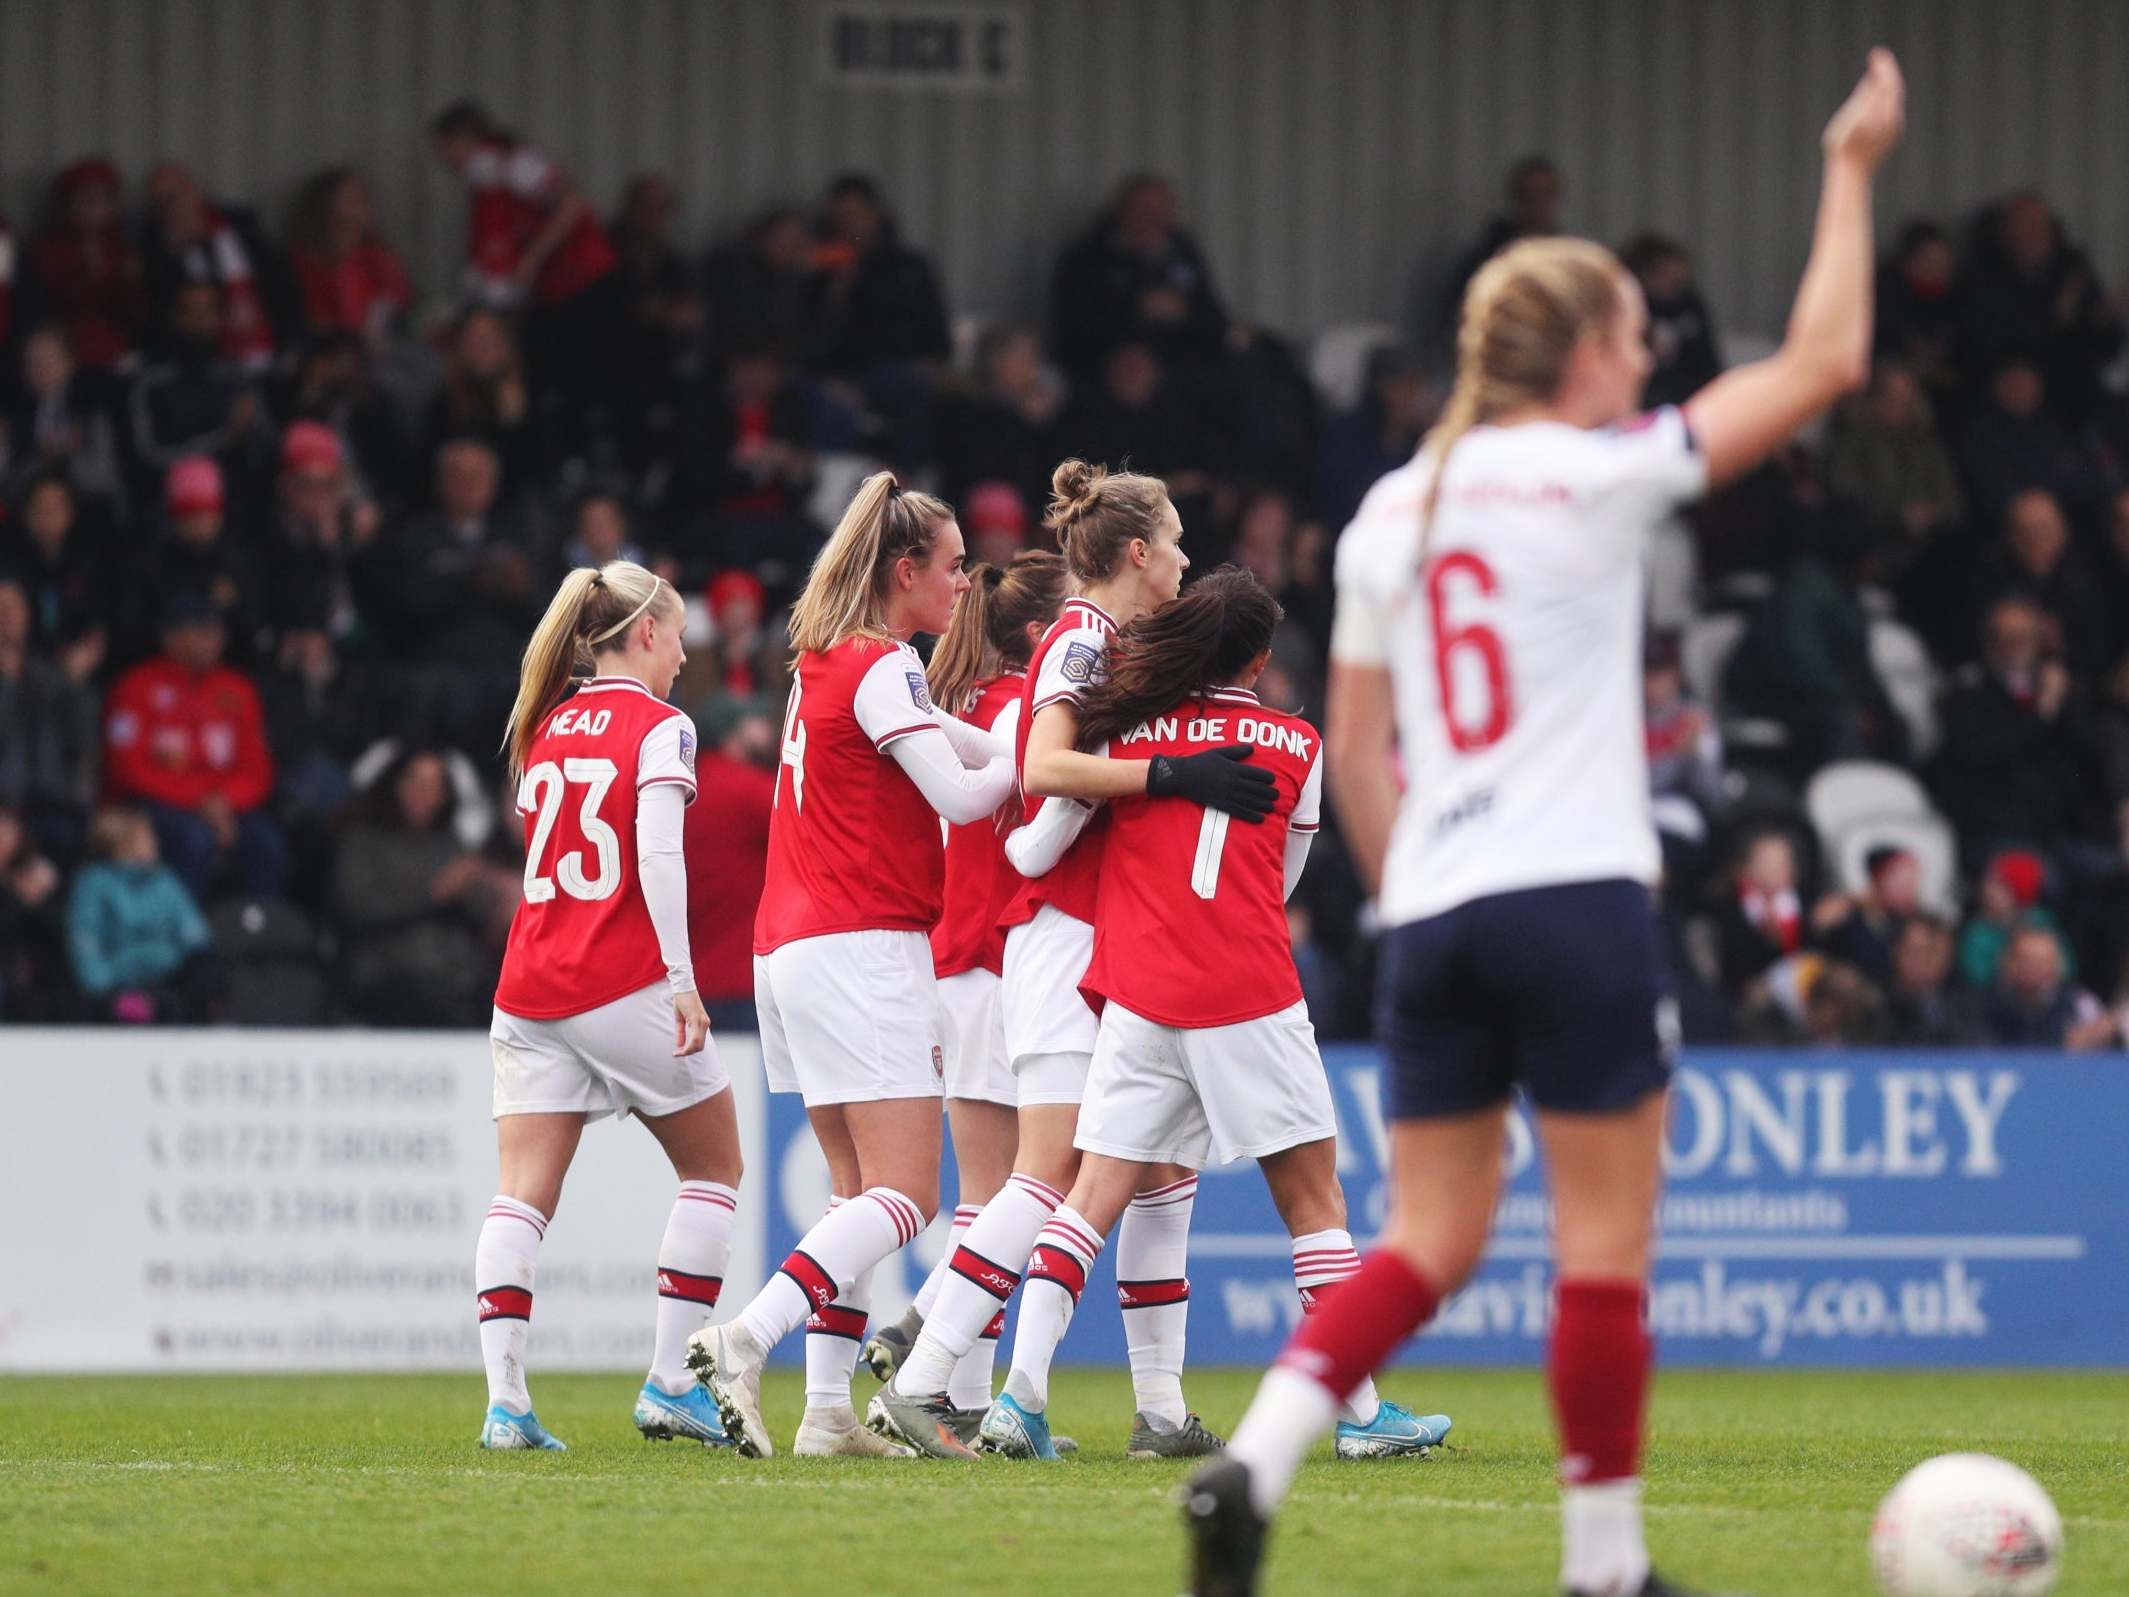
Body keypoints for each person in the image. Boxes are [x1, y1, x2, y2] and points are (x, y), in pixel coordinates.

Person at [1186, 52, 1904, 1597]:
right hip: (1576, 895)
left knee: (1422, 1241)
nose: (1645, 362)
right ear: (1581, 350)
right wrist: (1848, 166)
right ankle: (1603, 1567)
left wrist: (1421, 886)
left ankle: (1251, 1465)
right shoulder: (1597, 477)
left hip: (1437, 908)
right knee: (1600, 1250)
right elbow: (1830, 359)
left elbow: (1358, 750)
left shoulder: (1396, 507)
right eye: (1634, 337)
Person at [976, 566, 1452, 1463]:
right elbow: (1282, 883)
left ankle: (1018, 1399)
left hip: (1139, 992)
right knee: (1314, 1200)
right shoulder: (1296, 744)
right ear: (1263, 658)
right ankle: (1358, 1413)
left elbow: (1048, 823)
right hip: (1244, 990)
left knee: (1087, 1201)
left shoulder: (1129, 732)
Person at [871, 459, 1275, 1463]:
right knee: (1046, 1174)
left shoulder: (1102, 641)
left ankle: (1151, 1409)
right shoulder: (1082, 639)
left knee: (1151, 1172)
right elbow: (1043, 768)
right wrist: (1172, 773)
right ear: (1135, 551)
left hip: (1094, 942)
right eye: (1175, 539)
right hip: (1060, 938)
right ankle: (921, 1377)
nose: (1184, 558)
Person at [687, 473, 1016, 1462]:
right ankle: (745, 1338)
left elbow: (960, 743)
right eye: (952, 567)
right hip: (860, 941)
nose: (964, 586)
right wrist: (1041, 757)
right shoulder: (882, 665)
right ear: (904, 571)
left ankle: (826, 1410)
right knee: (909, 1193)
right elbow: (963, 799)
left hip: (787, 944)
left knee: (853, 1191)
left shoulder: (823, 661)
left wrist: (1013, 739)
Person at [477, 557, 739, 1453]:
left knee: (520, 1197)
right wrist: (681, 977)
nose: (680, 656)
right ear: (644, 634)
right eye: (674, 637)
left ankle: (505, 1403)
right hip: (618, 976)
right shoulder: (662, 726)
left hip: (528, 986)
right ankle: (671, 1382)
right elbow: (658, 858)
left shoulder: (545, 723)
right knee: (716, 1169)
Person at [858, 551, 1070, 1438]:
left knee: (991, 1192)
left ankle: (965, 1395)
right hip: (994, 954)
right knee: (1015, 1191)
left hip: (953, 958)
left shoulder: (949, 707)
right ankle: (923, 1343)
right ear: (1036, 632)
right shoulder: (1030, 711)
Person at [102, 593, 283, 902]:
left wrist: (224, 802)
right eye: (200, 631)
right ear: (170, 636)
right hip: (157, 805)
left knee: (267, 842)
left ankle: (259, 934)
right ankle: (187, 940)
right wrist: (200, 801)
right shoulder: (136, 687)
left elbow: (257, 768)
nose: (211, 640)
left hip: (226, 805)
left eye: (215, 631)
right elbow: (128, 769)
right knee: (192, 840)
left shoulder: (237, 689)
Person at [65, 804, 218, 1023]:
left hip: (169, 981)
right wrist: (106, 990)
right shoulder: (93, 883)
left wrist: (199, 963)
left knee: (202, 981)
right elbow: (86, 942)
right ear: (124, 842)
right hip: (117, 987)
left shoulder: (164, 879)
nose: (155, 841)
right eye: (147, 836)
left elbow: (192, 929)